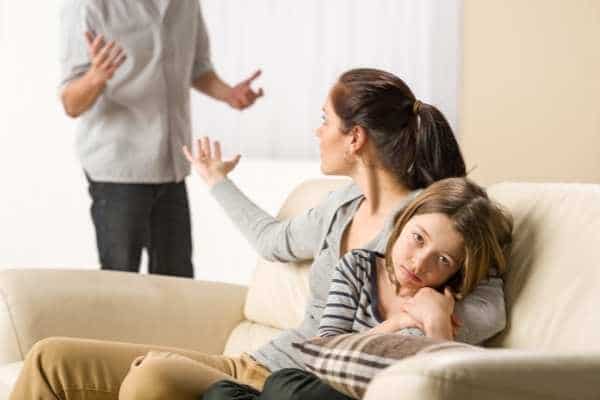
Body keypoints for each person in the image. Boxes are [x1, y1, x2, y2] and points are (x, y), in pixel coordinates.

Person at [9, 68, 503, 400]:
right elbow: (272, 241)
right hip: (250, 362)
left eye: (324, 121)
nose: (317, 132)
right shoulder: (340, 207)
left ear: (355, 139)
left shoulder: (429, 230)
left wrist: (440, 313)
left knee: (152, 378)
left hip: (293, 385)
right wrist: (217, 181)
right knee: (52, 358)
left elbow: (488, 303)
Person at [202, 177, 513, 400]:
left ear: (460, 269)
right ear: (402, 222)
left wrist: (436, 323)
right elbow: (322, 355)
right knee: (226, 391)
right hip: (322, 382)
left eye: (442, 259)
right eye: (417, 238)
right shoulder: (357, 266)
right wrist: (397, 323)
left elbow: (438, 385)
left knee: (286, 387)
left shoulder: (450, 307)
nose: (419, 264)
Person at [59, 0, 263, 277]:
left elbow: (198, 68)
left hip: (171, 167)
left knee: (177, 282)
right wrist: (96, 77)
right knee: (120, 283)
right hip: (118, 169)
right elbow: (71, 103)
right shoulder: (87, 5)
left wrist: (229, 94)